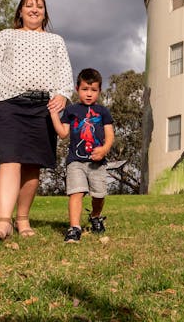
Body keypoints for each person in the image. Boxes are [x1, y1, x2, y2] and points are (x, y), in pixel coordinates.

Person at [0, 0, 74, 242]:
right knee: (10, 160)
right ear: (20, 11)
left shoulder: (56, 41)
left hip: (43, 108)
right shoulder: (7, 35)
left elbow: (65, 74)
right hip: (9, 105)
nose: (34, 9)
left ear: (45, 13)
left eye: (39, 6)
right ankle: (3, 222)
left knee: (32, 165)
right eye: (29, 5)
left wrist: (62, 94)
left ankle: (23, 219)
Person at [50, 68, 114, 243]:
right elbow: (63, 133)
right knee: (76, 193)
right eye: (85, 89)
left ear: (99, 91)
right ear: (77, 88)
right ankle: (74, 228)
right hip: (75, 161)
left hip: (97, 163)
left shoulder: (103, 112)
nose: (89, 94)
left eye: (93, 90)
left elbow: (109, 134)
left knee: (99, 195)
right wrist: (54, 115)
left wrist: (104, 149)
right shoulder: (71, 110)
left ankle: (95, 216)